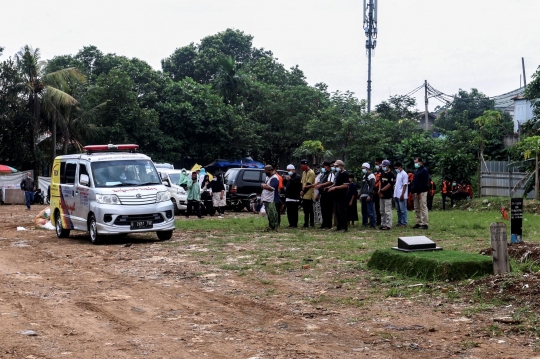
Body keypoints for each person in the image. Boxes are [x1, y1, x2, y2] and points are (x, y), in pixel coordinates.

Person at [327, 160, 349, 232]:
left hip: (342, 195)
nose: (335, 167)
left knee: (342, 211)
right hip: (336, 195)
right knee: (337, 212)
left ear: (341, 166)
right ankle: (339, 226)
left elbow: (345, 185)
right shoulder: (338, 173)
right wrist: (331, 186)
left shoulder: (345, 174)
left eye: (337, 166)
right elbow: (336, 183)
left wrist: (335, 187)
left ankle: (344, 227)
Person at [410, 157, 430, 229]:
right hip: (415, 191)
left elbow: (423, 183)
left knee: (423, 207)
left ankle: (425, 223)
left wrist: (418, 192)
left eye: (416, 162)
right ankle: (419, 222)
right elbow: (414, 182)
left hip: (422, 192)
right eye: (414, 162)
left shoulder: (424, 171)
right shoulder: (416, 170)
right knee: (416, 208)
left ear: (421, 162)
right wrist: (412, 191)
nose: (415, 164)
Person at [316, 161, 335, 230]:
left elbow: (330, 182)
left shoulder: (331, 174)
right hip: (323, 194)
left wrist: (321, 185)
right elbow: (320, 183)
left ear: (327, 166)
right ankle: (324, 224)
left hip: (328, 194)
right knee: (323, 209)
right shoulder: (323, 174)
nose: (323, 168)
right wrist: (318, 193)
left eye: (324, 166)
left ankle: (328, 225)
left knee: (328, 210)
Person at [261, 165, 280, 231]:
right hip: (266, 198)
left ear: (270, 170)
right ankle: (270, 225)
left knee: (272, 213)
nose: (265, 172)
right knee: (269, 213)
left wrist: (264, 186)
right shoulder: (268, 177)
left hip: (272, 199)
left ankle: (274, 226)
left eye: (266, 171)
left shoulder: (274, 178)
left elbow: (272, 188)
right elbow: (265, 184)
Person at [377, 159, 395, 230]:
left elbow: (389, 184)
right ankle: (383, 223)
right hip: (381, 195)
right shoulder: (383, 173)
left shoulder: (391, 174)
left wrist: (381, 190)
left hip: (387, 195)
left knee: (387, 211)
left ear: (387, 166)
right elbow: (380, 182)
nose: (383, 167)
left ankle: (388, 225)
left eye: (384, 166)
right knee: (382, 210)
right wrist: (379, 191)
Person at [359, 163, 376, 228]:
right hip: (363, 195)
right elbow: (362, 186)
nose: (363, 169)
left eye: (363, 168)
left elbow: (372, 186)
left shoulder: (371, 176)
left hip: (368, 195)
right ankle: (364, 223)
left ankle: (373, 224)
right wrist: (360, 194)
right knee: (364, 211)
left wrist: (370, 195)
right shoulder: (364, 176)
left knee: (370, 210)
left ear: (367, 168)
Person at [300, 159, 316, 228]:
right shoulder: (304, 173)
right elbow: (302, 183)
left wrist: (303, 192)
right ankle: (306, 223)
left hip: (309, 194)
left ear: (306, 165)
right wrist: (301, 191)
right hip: (304, 194)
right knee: (305, 210)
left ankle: (311, 223)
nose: (301, 167)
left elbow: (309, 184)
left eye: (302, 165)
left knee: (310, 210)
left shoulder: (311, 173)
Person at [393, 162, 408, 227]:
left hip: (402, 195)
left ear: (400, 167)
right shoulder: (398, 174)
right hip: (396, 194)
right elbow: (397, 184)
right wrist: (394, 194)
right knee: (398, 210)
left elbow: (405, 185)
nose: (396, 169)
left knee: (403, 210)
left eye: (396, 168)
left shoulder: (404, 174)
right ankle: (399, 222)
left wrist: (402, 194)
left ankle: (404, 222)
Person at [373, 158, 383, 226]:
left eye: (377, 164)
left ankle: (382, 220)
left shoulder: (383, 172)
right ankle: (378, 220)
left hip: (381, 192)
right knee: (376, 207)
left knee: (381, 207)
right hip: (375, 191)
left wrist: (380, 191)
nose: (376, 165)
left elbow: (381, 182)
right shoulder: (375, 172)